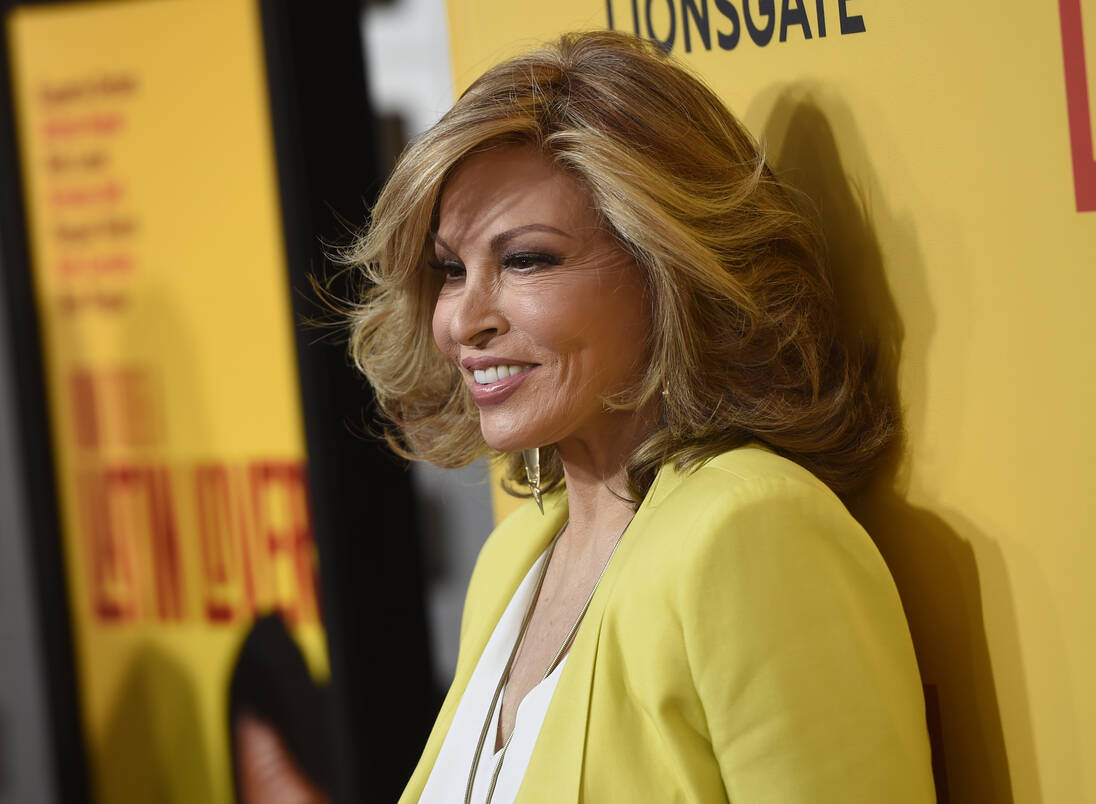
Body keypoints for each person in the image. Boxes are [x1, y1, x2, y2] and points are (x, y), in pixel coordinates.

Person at [343, 30, 936, 803]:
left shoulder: (751, 531)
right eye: (452, 270)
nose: (462, 319)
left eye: (525, 260)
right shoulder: (514, 556)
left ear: (667, 266)